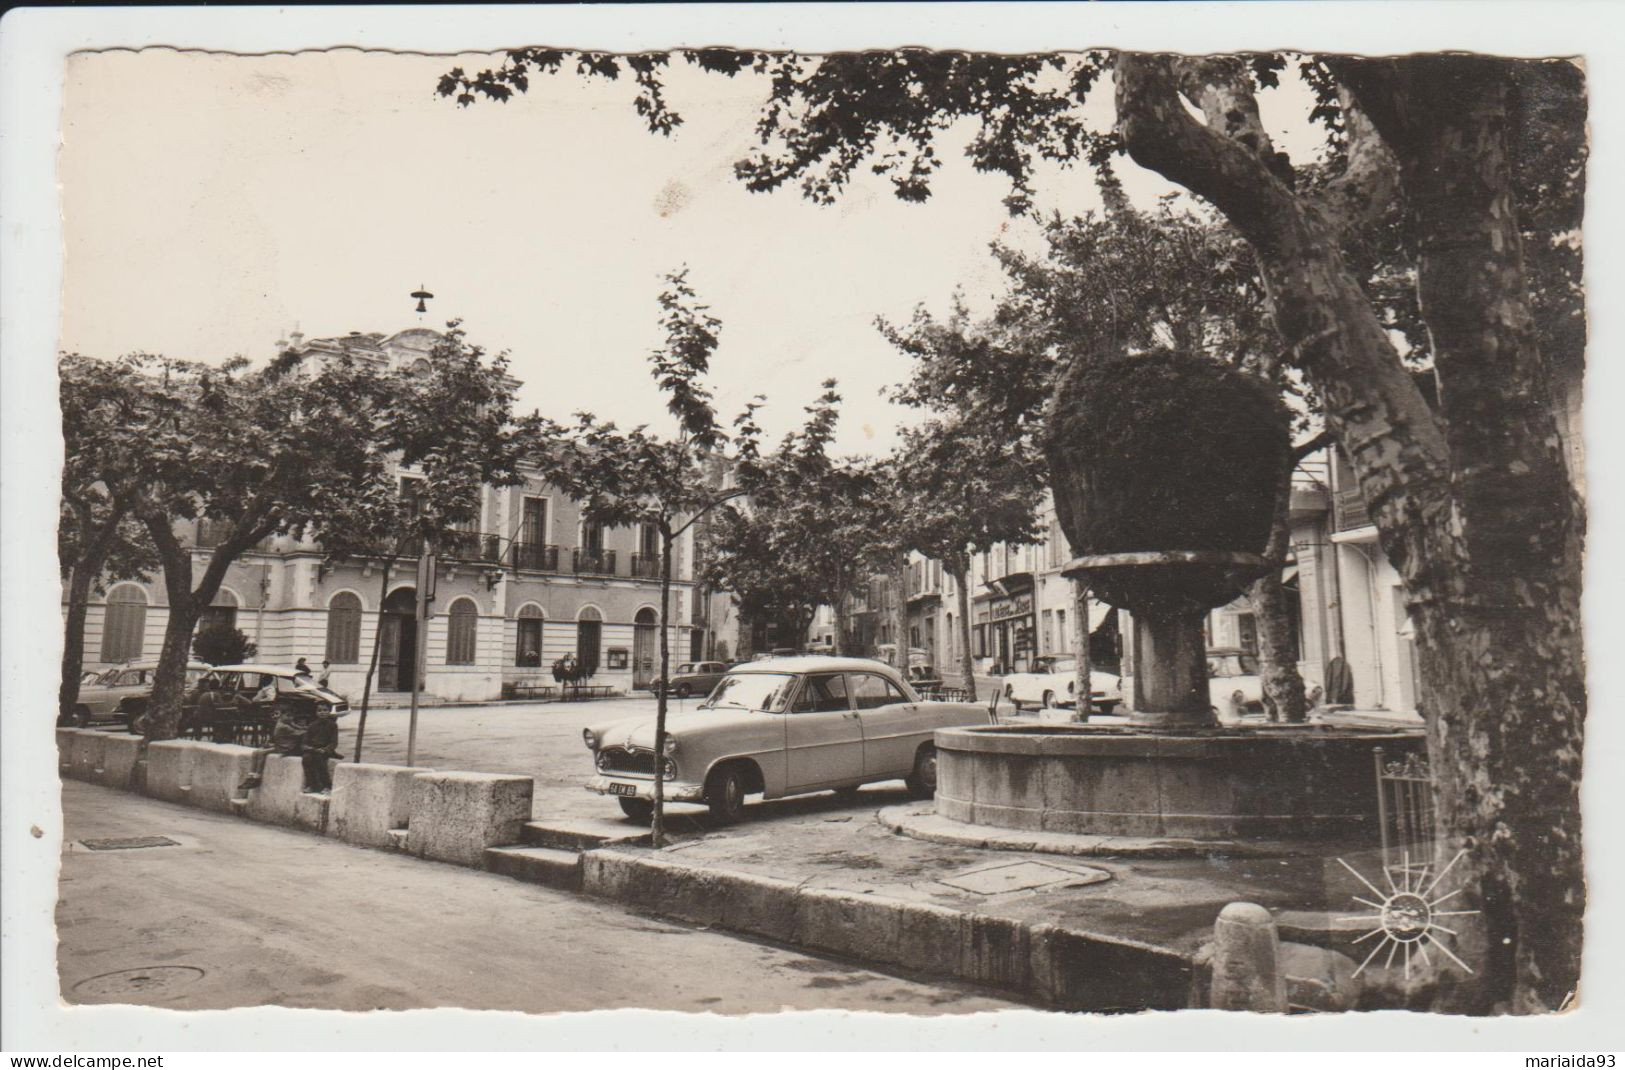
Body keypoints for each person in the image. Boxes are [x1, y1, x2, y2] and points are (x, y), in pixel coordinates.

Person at [301, 705, 343, 794]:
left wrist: (326, 749)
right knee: (306, 759)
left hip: (325, 750)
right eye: (319, 710)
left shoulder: (333, 725)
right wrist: (309, 748)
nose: (322, 712)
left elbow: (334, 743)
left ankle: (326, 786)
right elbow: (305, 741)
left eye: (325, 710)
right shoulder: (312, 725)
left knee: (319, 759)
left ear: (329, 712)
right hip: (313, 749)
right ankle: (312, 785)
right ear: (316, 713)